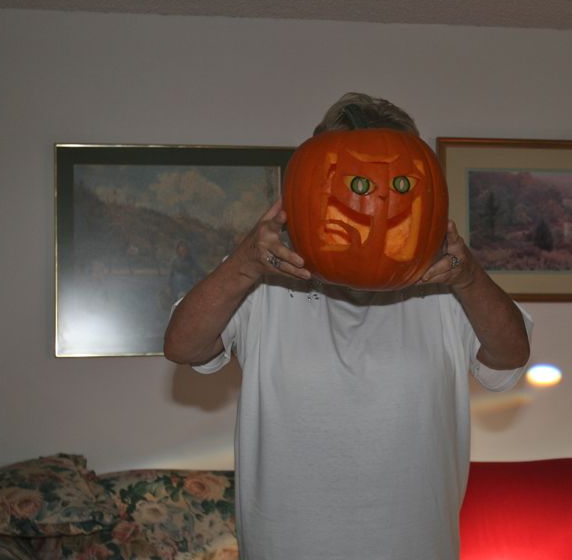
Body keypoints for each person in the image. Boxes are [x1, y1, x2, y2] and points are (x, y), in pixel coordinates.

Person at [163, 92, 533, 560]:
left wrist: (470, 275)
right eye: (358, 184)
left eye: (400, 182)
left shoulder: (449, 285)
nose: (378, 201)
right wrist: (242, 265)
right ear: (309, 193)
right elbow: (182, 345)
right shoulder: (260, 279)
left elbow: (510, 355)